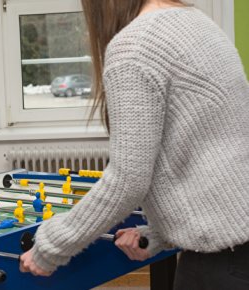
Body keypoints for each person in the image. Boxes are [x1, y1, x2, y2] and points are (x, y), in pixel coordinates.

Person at [19, 0, 249, 289]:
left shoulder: (135, 47)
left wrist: (51, 246)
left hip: (222, 266)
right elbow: (209, 153)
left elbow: (127, 181)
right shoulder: (199, 23)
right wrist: (159, 235)